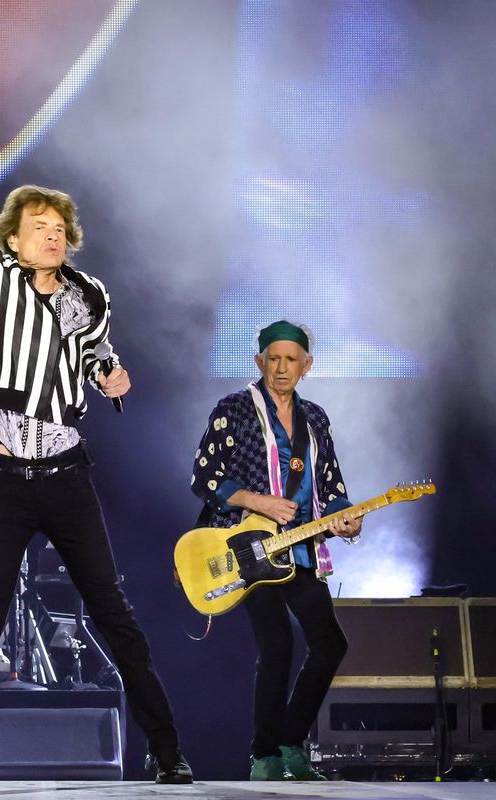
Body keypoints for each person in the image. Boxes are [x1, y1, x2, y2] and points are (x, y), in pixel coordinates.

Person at [0, 60, 192, 786]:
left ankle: (167, 751)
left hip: (67, 472)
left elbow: (98, 351)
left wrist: (112, 376)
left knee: (113, 612)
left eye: (60, 228)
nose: (52, 236)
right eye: (38, 227)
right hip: (7, 475)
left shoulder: (88, 294)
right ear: (12, 240)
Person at [191, 320, 361, 781]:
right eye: (273, 358)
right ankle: (264, 755)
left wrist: (347, 517)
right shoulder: (234, 409)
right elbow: (204, 476)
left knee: (330, 645)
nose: (281, 368)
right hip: (247, 549)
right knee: (278, 643)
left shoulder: (317, 419)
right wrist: (257, 500)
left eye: (291, 360)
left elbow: (332, 487)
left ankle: (290, 743)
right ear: (259, 361)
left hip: (298, 547)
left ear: (307, 366)